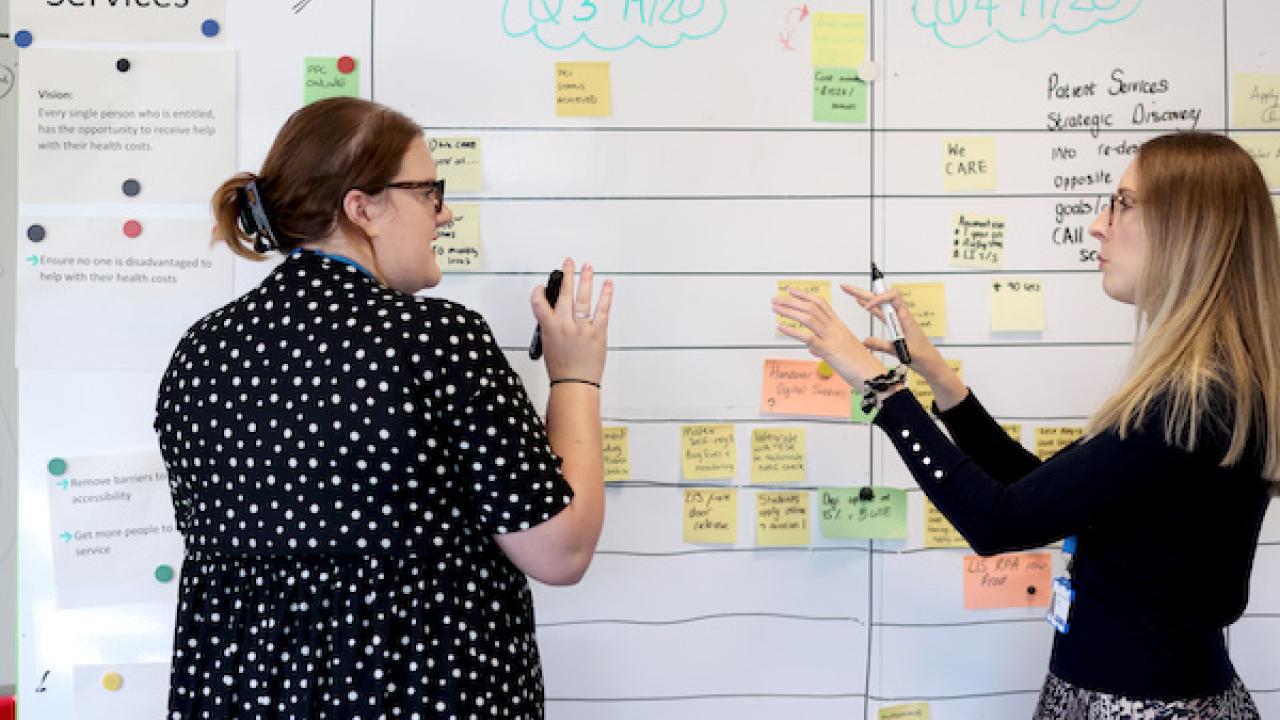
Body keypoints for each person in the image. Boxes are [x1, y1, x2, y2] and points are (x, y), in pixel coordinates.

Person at [773, 131, 1274, 718]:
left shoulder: (1196, 401)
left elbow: (996, 520)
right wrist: (939, 378)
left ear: (1190, 230)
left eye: (1123, 204)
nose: (1098, 224)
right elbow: (1033, 494)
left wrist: (882, 391)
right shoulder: (1198, 388)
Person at [154, 97, 613, 719]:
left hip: (240, 692)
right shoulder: (436, 339)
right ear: (362, 207)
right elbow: (560, 553)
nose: (445, 214)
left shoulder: (201, 351)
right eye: (429, 191)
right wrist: (576, 378)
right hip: (413, 690)